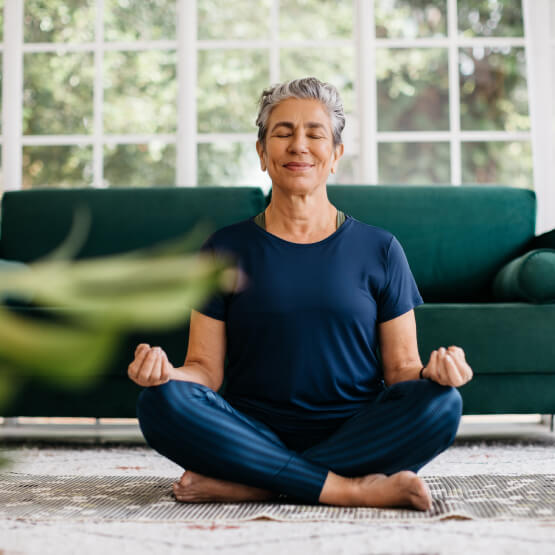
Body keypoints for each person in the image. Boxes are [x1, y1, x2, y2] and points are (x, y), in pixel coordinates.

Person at [129, 77, 473, 511]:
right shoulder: (224, 248)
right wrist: (166, 375)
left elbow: (402, 369)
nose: (299, 146)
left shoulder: (381, 248)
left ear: (335, 155)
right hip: (249, 431)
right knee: (160, 402)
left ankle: (259, 483)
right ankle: (347, 489)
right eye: (283, 133)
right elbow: (204, 371)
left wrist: (435, 374)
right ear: (261, 152)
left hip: (355, 431)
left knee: (443, 404)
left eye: (315, 134)